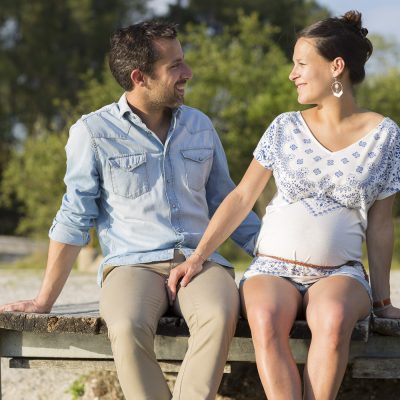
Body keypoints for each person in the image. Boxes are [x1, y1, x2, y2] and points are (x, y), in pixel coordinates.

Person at [0, 21, 260, 400]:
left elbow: (228, 202)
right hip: (132, 264)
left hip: (200, 261)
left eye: (183, 61)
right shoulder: (92, 132)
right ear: (140, 77)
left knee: (220, 316)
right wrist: (44, 300)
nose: (187, 73)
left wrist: (281, 261)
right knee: (125, 324)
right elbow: (75, 216)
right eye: (175, 66)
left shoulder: (200, 125)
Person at [168, 10, 400, 399]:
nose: (292, 73)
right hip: (272, 269)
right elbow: (242, 197)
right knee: (264, 316)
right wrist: (197, 257)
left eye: (301, 63)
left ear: (336, 67)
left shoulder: (386, 135)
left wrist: (382, 299)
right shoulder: (284, 126)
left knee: (335, 316)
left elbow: (381, 223)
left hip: (340, 273)